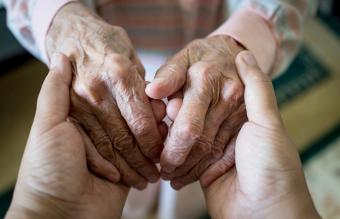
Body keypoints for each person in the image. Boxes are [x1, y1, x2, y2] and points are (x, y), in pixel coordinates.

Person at [3, 0, 318, 189]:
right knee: (112, 164)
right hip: (98, 68)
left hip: (221, 59)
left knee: (205, 155)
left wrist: (243, 40)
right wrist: (62, 18)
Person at [5, 52, 321, 219]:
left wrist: (48, 208)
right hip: (103, 77)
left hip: (214, 54)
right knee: (123, 161)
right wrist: (62, 14)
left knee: (193, 155)